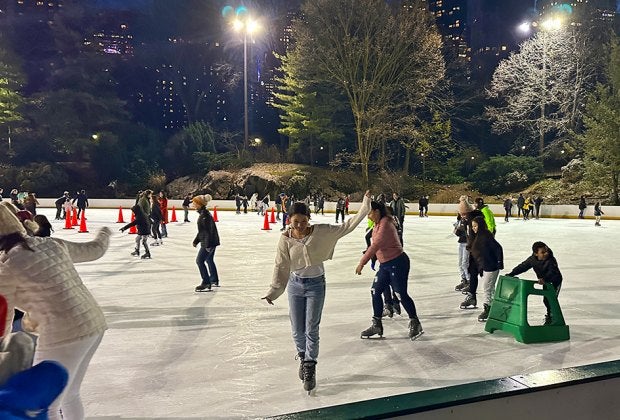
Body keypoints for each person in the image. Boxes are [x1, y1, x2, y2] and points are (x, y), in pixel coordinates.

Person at [0, 204, 111, 420]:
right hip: (93, 322)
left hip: (63, 333)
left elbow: (4, 314)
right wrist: (105, 233)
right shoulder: (51, 243)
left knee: (46, 403)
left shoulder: (6, 266)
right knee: (69, 394)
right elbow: (94, 250)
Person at [263, 191, 371, 394]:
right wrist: (274, 291)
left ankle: (310, 365)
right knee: (297, 329)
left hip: (316, 285)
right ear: (289, 220)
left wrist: (365, 204)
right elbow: (280, 265)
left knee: (311, 328)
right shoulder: (285, 239)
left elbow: (347, 226)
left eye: (303, 221)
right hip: (295, 285)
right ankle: (303, 357)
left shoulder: (321, 231)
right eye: (295, 221)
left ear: (308, 219)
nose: (299, 225)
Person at [356, 200, 423, 341]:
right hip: (385, 265)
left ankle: (415, 322)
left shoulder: (386, 224)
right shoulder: (377, 224)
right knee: (375, 291)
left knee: (400, 294)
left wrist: (362, 263)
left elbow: (375, 245)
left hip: (398, 262)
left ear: (377, 211)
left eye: (369, 213)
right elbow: (375, 245)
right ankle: (377, 324)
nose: (368, 216)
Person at [506, 241, 562, 325]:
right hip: (545, 282)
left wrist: (545, 279)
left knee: (551, 300)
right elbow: (523, 266)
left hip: (555, 281)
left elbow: (552, 272)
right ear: (536, 254)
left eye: (546, 251)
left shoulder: (551, 260)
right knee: (546, 300)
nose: (546, 253)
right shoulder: (532, 260)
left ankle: (553, 317)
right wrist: (512, 273)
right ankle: (550, 316)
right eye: (542, 252)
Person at [192, 194, 220, 292]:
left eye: (194, 202)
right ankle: (214, 279)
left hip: (209, 242)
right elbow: (202, 231)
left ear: (199, 204)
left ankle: (206, 282)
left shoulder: (205, 216)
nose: (193, 204)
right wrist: (196, 241)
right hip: (210, 241)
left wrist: (208, 245)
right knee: (209, 260)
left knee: (199, 261)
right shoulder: (204, 214)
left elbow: (208, 231)